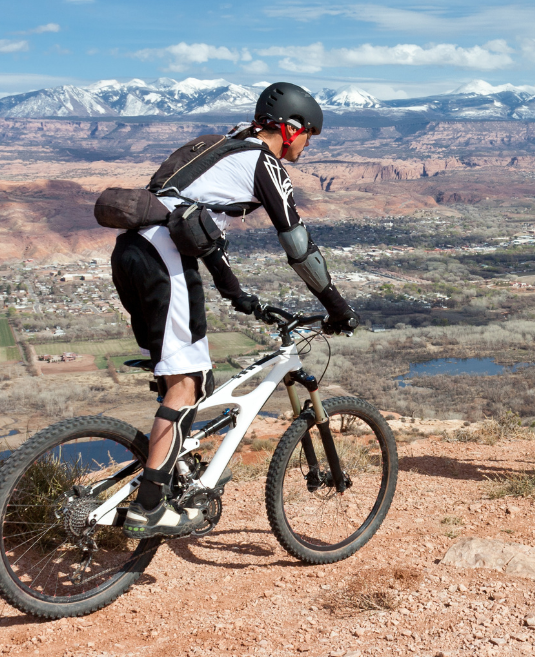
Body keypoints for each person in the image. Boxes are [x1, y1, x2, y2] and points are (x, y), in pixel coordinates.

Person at [110, 82, 359, 538]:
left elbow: (195, 226)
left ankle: (171, 480)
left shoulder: (221, 147)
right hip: (162, 259)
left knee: (188, 378)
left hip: (130, 251)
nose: (307, 145)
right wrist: (337, 307)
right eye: (308, 135)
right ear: (289, 129)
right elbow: (299, 247)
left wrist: (239, 296)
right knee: (185, 385)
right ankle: (149, 509)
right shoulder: (264, 162)